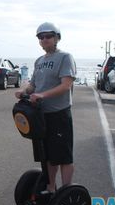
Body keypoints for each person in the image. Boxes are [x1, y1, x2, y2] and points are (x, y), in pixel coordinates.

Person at [15, 22, 76, 195]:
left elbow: (65, 85)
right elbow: (33, 85)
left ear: (57, 38)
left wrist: (43, 95)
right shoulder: (39, 61)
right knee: (47, 155)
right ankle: (50, 188)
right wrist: (24, 91)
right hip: (41, 115)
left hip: (59, 113)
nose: (44, 39)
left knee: (63, 156)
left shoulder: (65, 57)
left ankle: (66, 192)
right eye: (41, 37)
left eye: (48, 36)